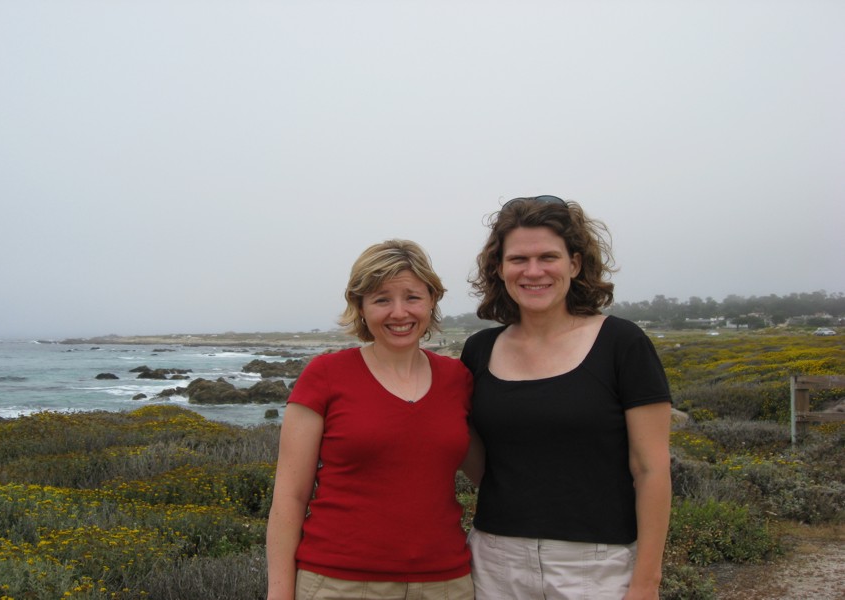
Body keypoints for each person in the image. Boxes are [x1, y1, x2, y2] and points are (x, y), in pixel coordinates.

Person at [460, 195, 672, 600]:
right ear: (500, 268)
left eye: (548, 257)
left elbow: (651, 470)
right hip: (494, 561)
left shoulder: (622, 344)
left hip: (598, 565)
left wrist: (646, 582)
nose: (533, 271)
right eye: (518, 259)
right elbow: (480, 461)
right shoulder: (479, 350)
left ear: (574, 264)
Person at [266, 239, 475, 600]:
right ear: (360, 307)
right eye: (381, 299)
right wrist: (279, 594)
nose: (399, 312)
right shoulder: (325, 375)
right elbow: (290, 497)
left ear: (431, 302)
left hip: (446, 583)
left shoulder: (459, 379)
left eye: (412, 297)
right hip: (338, 583)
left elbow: (492, 472)